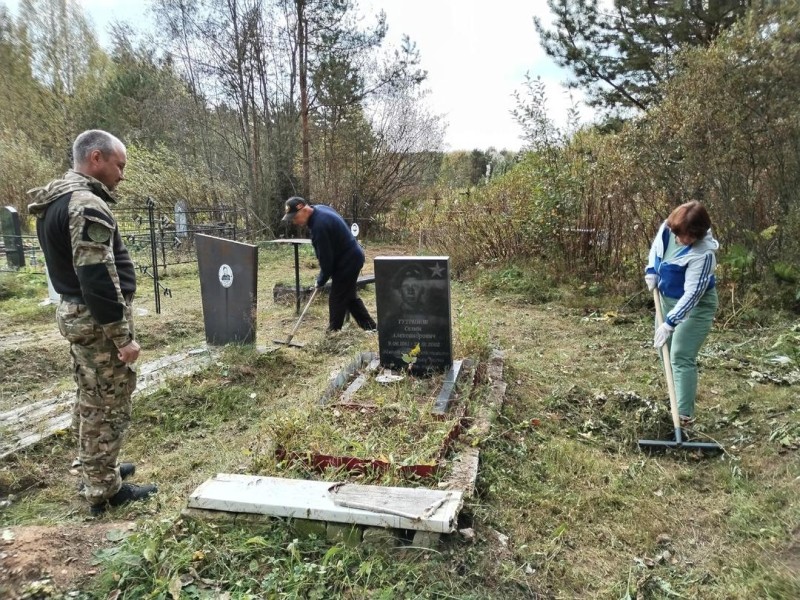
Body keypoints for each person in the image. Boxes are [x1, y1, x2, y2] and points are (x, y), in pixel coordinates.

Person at [28, 129, 157, 515]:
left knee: (90, 397)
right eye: (119, 166)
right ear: (96, 158)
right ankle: (104, 489)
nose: (122, 174)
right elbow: (97, 276)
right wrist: (122, 337)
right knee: (108, 405)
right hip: (96, 322)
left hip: (78, 316)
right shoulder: (86, 205)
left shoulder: (57, 199)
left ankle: (97, 467)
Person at [644, 200, 719, 432]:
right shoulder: (670, 228)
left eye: (685, 236)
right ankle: (674, 405)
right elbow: (657, 249)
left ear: (697, 233)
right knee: (663, 349)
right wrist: (651, 270)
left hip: (696, 307)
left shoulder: (703, 254)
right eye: (677, 233)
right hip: (666, 299)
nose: (679, 239)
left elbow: (693, 294)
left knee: (680, 355)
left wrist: (670, 323)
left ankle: (683, 418)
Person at [282, 196, 376, 332]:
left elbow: (326, 260)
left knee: (337, 298)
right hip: (352, 256)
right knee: (348, 296)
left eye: (295, 217)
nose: (295, 222)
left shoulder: (319, 226)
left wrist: (321, 280)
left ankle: (333, 333)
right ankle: (371, 328)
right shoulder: (319, 209)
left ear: (304, 209)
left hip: (348, 261)